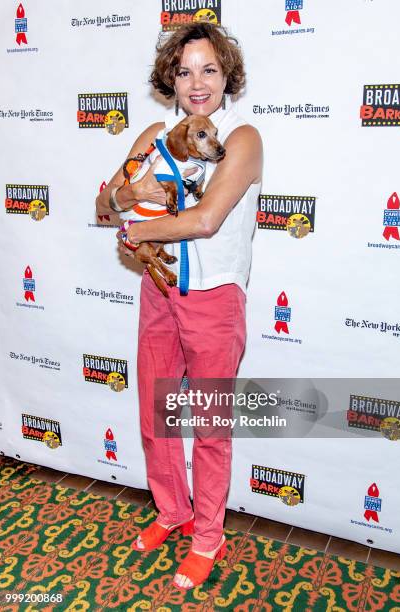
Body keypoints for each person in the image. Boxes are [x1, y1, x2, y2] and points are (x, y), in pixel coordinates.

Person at [95, 22, 262, 590]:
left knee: (210, 428)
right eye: (185, 69)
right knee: (155, 416)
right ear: (170, 76)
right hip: (159, 291)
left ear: (227, 76)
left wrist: (141, 231)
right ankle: (173, 510)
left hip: (215, 299)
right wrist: (126, 196)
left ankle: (208, 537)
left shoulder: (242, 138)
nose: (197, 82)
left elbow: (206, 220)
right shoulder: (152, 132)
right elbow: (103, 204)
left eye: (209, 69)